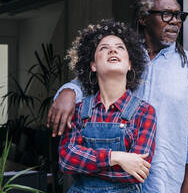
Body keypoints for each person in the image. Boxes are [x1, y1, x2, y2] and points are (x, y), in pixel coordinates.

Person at [50, 0, 188, 193]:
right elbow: (88, 83)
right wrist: (68, 91)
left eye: (179, 16)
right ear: (143, 18)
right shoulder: (123, 59)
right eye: (167, 14)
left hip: (164, 184)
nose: (176, 22)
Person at [59, 20, 157, 193]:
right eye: (104, 48)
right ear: (93, 65)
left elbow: (136, 173)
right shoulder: (79, 110)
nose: (112, 50)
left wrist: (86, 164)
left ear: (129, 64)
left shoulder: (144, 112)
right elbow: (67, 160)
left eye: (120, 47)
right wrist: (116, 157)